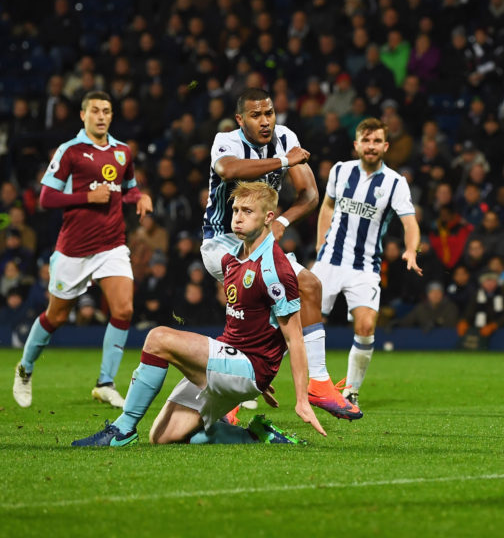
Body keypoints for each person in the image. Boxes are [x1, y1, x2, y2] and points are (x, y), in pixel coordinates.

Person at [72, 181, 326, 446]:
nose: (238, 218)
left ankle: (122, 430)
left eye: (248, 212)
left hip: (247, 368)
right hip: (235, 359)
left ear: (268, 217)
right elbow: (248, 323)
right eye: (236, 210)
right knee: (163, 437)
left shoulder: (276, 270)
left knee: (158, 339)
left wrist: (298, 398)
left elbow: (294, 338)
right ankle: (255, 435)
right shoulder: (231, 258)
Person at [201, 87, 361, 421]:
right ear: (240, 119)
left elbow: (310, 194)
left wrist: (283, 221)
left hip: (260, 243)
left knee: (309, 288)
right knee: (271, 305)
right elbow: (228, 171)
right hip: (221, 241)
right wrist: (286, 160)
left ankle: (315, 383)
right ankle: (231, 391)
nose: (265, 121)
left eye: (269, 113)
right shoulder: (226, 141)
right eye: (256, 115)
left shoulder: (285, 136)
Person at [13, 91, 153, 409]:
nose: (101, 116)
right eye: (95, 111)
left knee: (123, 310)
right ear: (83, 115)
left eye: (106, 111)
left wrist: (140, 197)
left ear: (112, 116)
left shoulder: (122, 152)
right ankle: (25, 367)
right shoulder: (70, 152)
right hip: (74, 250)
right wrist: (86, 198)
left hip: (112, 245)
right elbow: (46, 197)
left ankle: (105, 382)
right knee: (56, 316)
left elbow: (127, 190)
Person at [312, 117, 422, 409]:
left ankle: (350, 391)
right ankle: (259, 382)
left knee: (365, 326)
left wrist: (411, 250)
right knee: (298, 325)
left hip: (364, 267)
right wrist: (320, 242)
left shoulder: (395, 182)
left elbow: (410, 223)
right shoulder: (340, 170)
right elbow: (328, 206)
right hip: (329, 262)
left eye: (377, 141)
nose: (371, 146)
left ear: (385, 146)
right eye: (366, 140)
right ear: (356, 144)